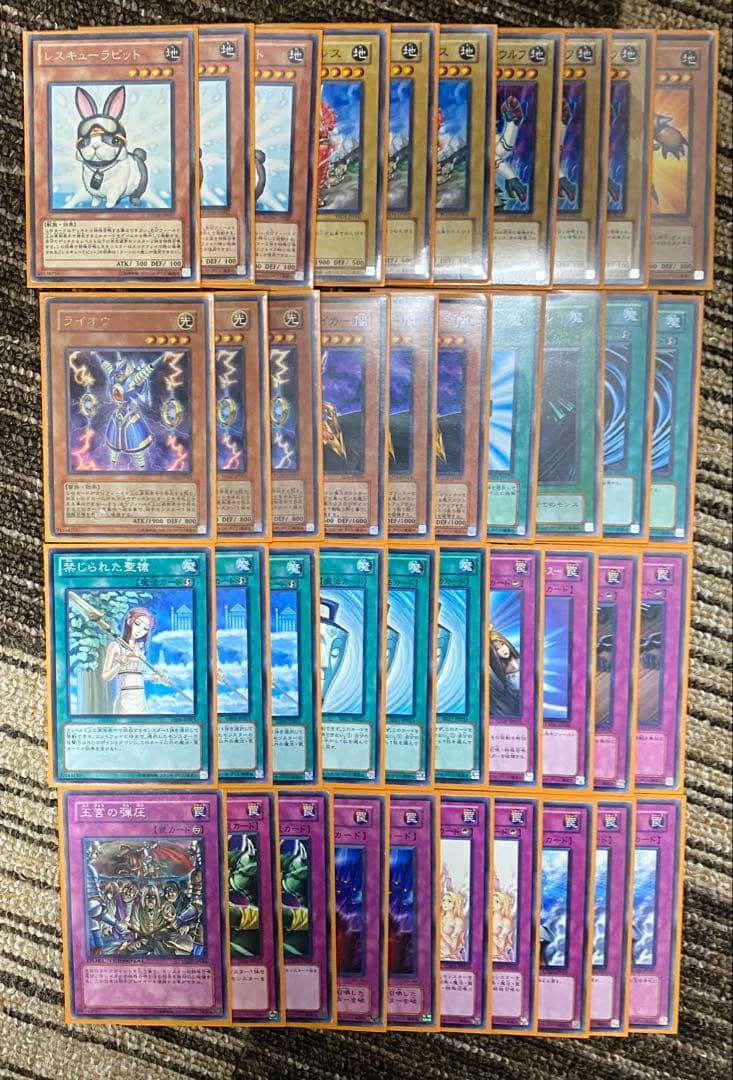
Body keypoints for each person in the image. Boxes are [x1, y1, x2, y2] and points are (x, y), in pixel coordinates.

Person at [102, 606, 157, 714]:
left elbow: (136, 675)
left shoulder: (140, 648)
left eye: (145, 629)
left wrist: (153, 677)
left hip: (141, 699)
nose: (140, 630)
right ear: (129, 621)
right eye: (137, 624)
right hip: (125, 700)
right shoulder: (116, 645)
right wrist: (120, 663)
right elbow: (106, 677)